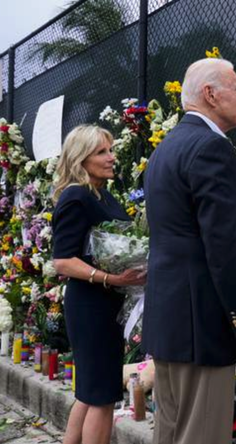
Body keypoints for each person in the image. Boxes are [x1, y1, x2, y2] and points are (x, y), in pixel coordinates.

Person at [143, 58, 236, 444]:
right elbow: (223, 250)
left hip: (168, 318)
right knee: (203, 434)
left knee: (171, 431)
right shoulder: (213, 148)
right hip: (201, 324)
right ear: (210, 94)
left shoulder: (166, 149)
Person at [52, 125, 147, 444]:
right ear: (81, 159)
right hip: (90, 306)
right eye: (102, 152)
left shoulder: (100, 193)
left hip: (105, 304)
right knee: (102, 396)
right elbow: (62, 260)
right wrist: (112, 278)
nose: (111, 157)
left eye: (110, 149)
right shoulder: (75, 196)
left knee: (90, 391)